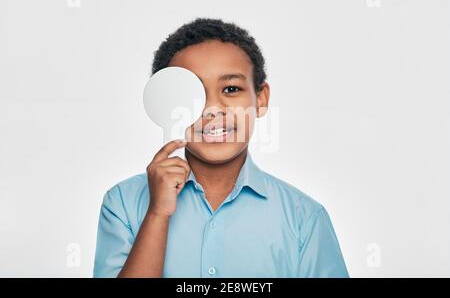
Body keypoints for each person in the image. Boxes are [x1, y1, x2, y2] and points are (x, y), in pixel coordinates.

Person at [93, 18, 349, 278]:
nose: (213, 109)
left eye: (230, 89)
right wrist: (157, 214)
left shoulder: (304, 218)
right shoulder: (123, 204)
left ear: (260, 99)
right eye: (194, 94)